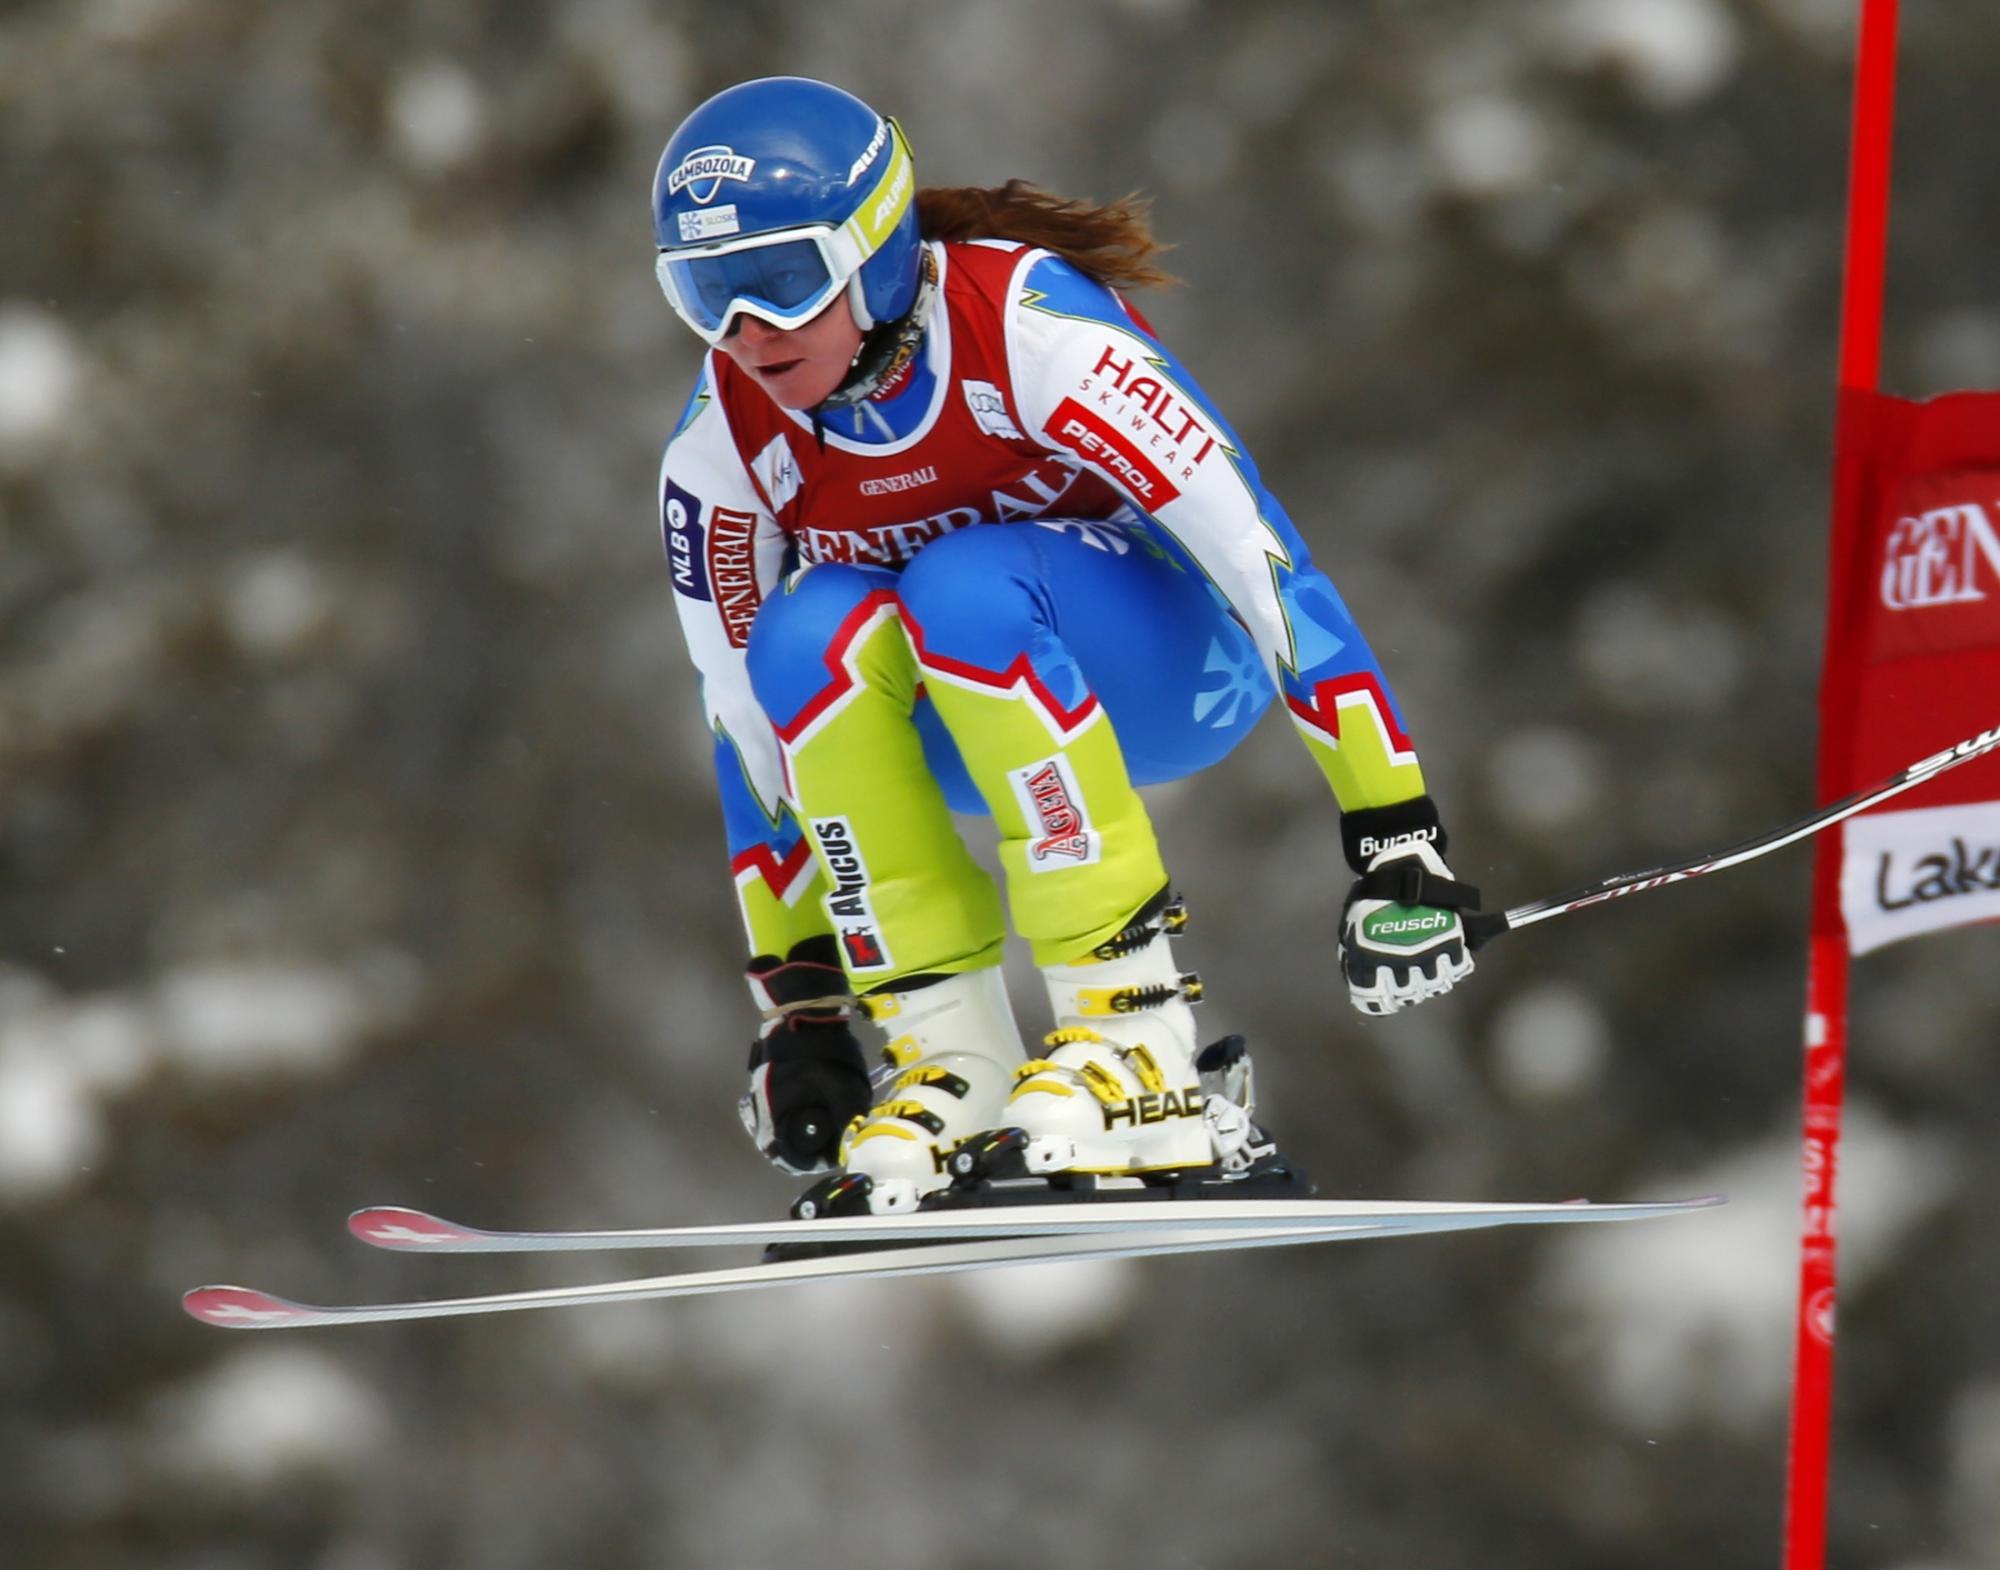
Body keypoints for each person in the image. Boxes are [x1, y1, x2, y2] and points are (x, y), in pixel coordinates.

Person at [651, 76, 1479, 1217]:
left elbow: (1263, 570)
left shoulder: (1028, 327)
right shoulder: (721, 445)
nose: (746, 334)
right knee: (798, 634)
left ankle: (1134, 1040)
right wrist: (799, 1011)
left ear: (877, 250)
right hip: (968, 721)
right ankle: (953, 1058)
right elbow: (744, 724)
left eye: (783, 282)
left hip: (1172, 672)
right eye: (705, 295)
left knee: (966, 582)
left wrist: (1396, 835)